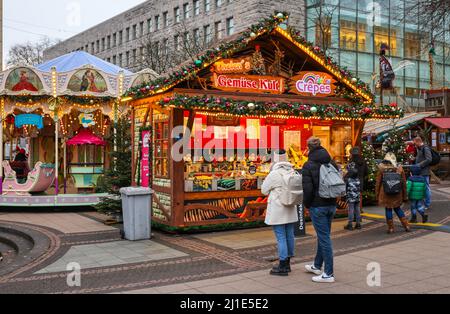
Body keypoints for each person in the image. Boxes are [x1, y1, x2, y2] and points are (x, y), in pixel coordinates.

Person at [302, 137, 338, 283]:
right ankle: (317, 265)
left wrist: (307, 205)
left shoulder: (308, 165)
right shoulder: (331, 161)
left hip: (318, 206)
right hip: (331, 204)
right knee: (323, 236)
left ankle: (328, 274)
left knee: (324, 239)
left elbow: (308, 189)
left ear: (308, 147)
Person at [261, 149, 299, 276]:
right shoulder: (292, 170)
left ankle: (282, 265)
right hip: (290, 207)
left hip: (278, 209)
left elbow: (264, 190)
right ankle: (287, 263)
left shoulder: (274, 174)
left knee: (281, 237)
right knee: (289, 235)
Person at [375, 152, 410, 234]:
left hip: (385, 193)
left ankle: (391, 228)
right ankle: (406, 225)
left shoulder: (381, 169)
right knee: (398, 208)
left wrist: (377, 195)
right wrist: (405, 196)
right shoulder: (399, 168)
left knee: (388, 209)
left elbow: (378, 183)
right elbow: (404, 183)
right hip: (397, 193)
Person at [413, 136, 432, 211]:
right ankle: (423, 203)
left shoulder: (425, 148)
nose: (414, 145)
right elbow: (422, 158)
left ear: (418, 142)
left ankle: (427, 204)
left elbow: (429, 159)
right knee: (422, 188)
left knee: (426, 188)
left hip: (424, 172)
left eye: (415, 143)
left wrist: (419, 165)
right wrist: (415, 159)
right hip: (420, 172)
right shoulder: (420, 148)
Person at [344, 166, 361, 230]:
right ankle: (358, 224)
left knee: (351, 210)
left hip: (351, 197)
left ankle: (350, 224)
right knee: (357, 209)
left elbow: (345, 188)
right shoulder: (358, 180)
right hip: (357, 197)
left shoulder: (348, 180)